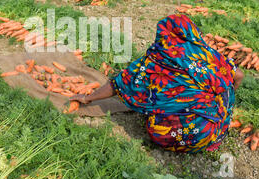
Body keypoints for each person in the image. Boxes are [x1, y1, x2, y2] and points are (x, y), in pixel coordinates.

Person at [69, 14, 244, 153]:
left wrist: (88, 98)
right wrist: (224, 99)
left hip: (169, 137)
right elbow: (240, 76)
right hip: (208, 131)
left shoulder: (152, 59)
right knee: (226, 83)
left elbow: (117, 85)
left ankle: (180, 125)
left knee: (159, 113)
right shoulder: (207, 56)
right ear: (192, 32)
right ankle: (212, 134)